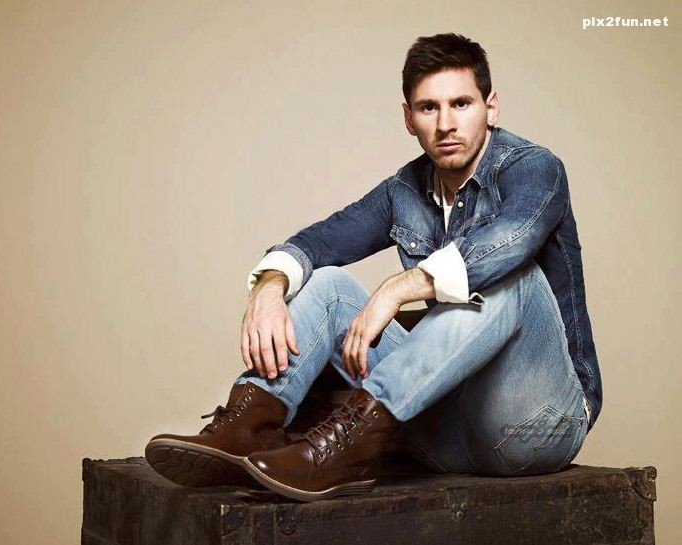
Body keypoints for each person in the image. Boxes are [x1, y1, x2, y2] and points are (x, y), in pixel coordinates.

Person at [145, 32, 602, 502]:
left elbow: (509, 240)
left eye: (461, 104)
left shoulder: (535, 168)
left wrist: (398, 288)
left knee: (511, 276)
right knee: (329, 285)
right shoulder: (404, 190)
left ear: (491, 108)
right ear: (408, 118)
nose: (446, 124)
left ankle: (346, 445)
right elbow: (320, 241)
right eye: (428, 108)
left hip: (536, 427)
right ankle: (250, 425)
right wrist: (268, 287)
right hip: (442, 428)